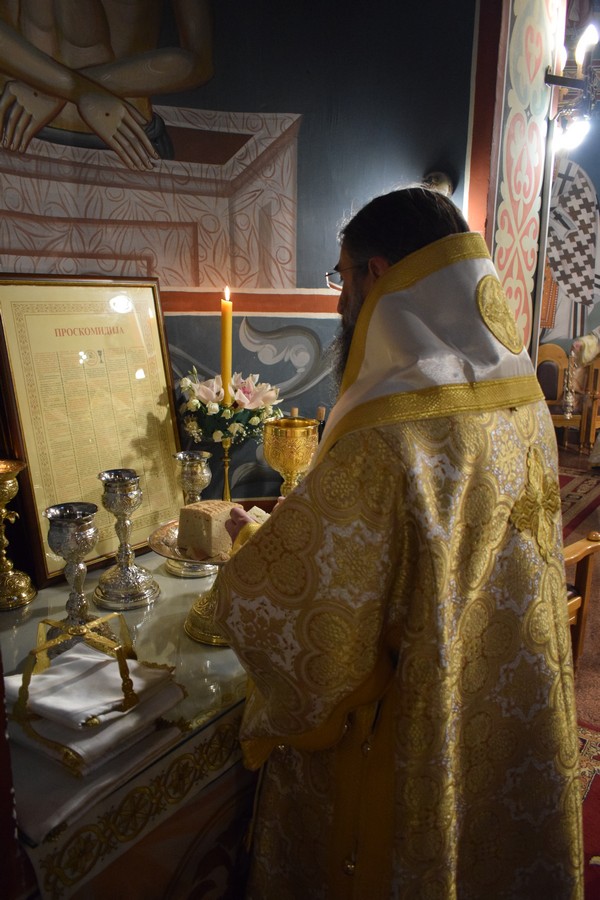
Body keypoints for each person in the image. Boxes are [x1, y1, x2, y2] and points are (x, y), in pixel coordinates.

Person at [209, 187, 583, 898]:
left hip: (408, 722)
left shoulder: (388, 434)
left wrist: (250, 553)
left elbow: (318, 621)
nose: (341, 299)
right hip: (508, 691)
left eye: (342, 277)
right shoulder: (520, 394)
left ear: (377, 274)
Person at [0, 0, 214, 170]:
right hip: (10, 131)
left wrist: (58, 88)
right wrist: (75, 89)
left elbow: (198, 64)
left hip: (125, 145)